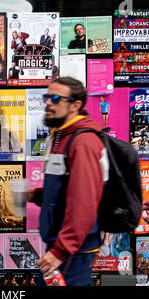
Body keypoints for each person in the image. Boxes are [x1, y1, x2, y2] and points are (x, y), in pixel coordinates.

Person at [27, 76, 108, 286]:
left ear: (75, 105)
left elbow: (85, 203)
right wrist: (35, 195)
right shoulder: (61, 137)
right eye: (46, 97)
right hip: (63, 245)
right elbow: (65, 192)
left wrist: (61, 251)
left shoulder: (83, 143)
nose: (47, 103)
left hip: (73, 250)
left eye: (55, 98)